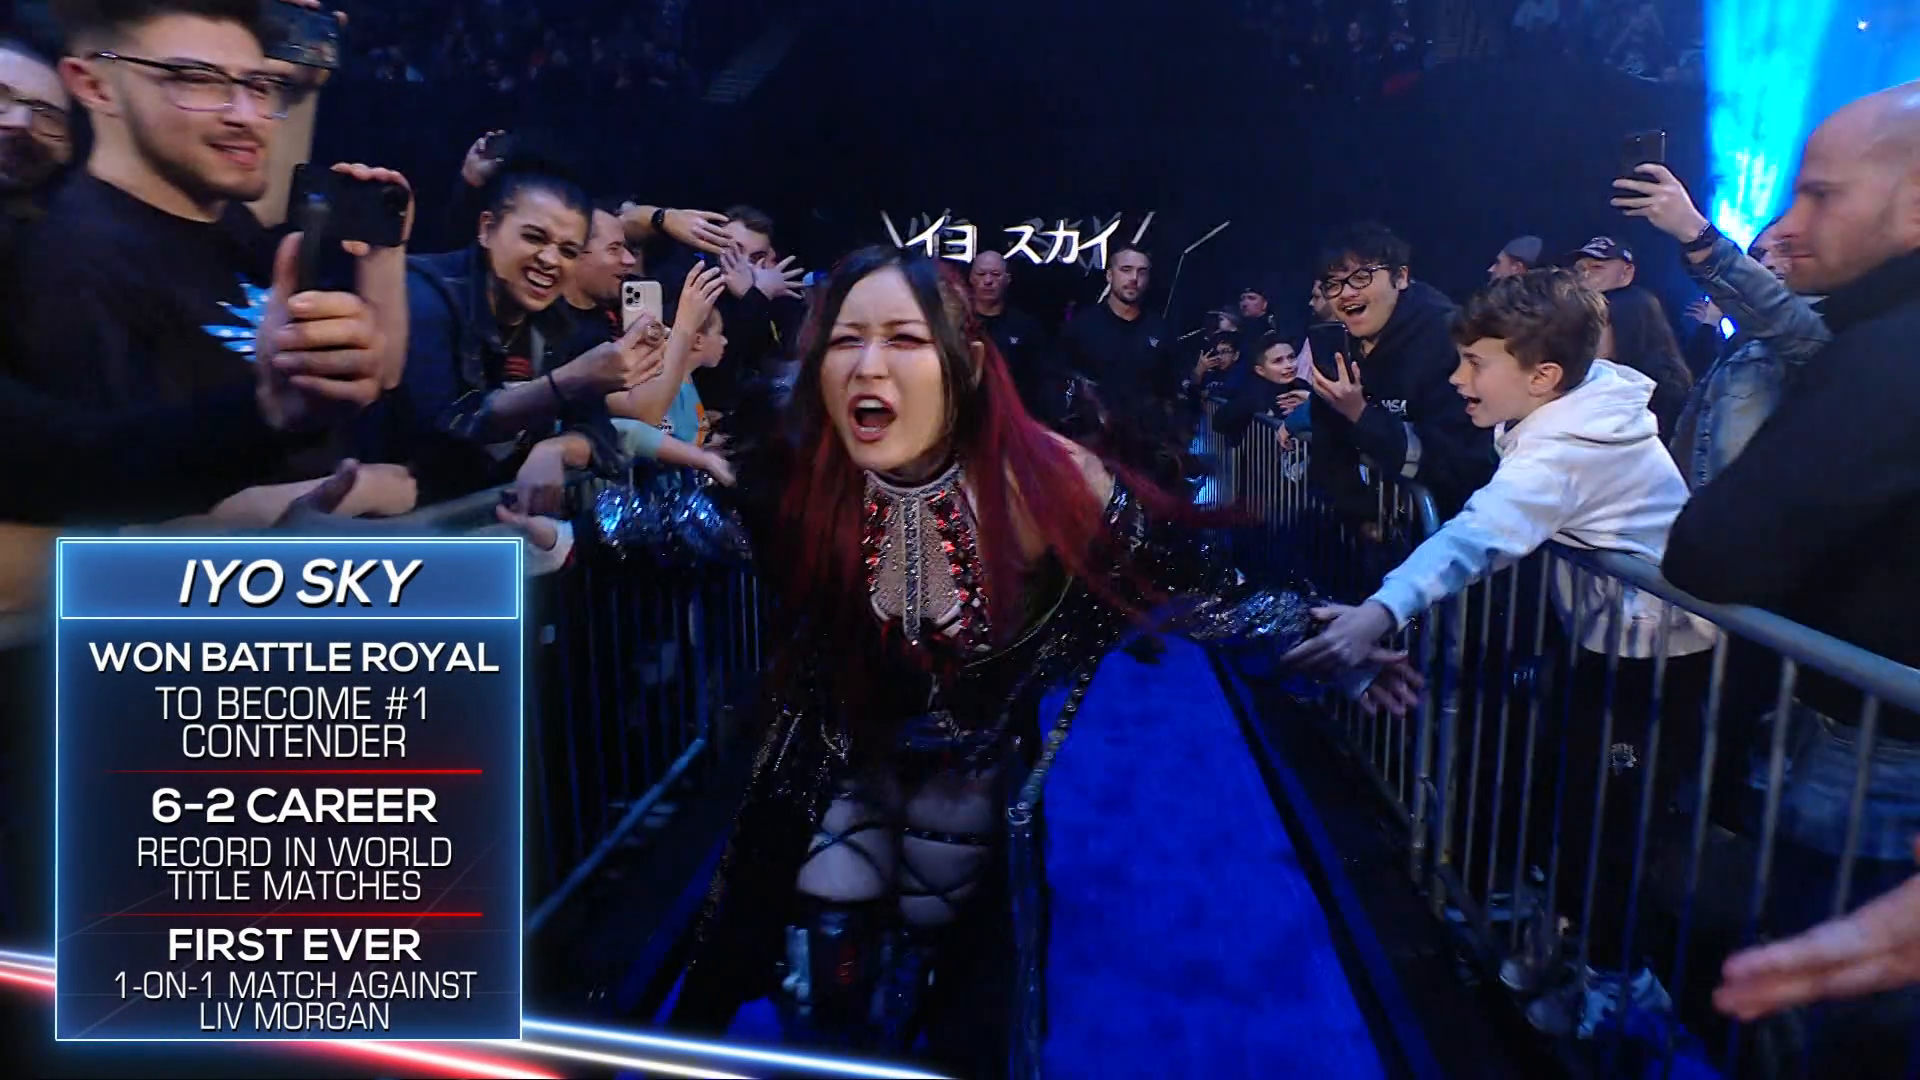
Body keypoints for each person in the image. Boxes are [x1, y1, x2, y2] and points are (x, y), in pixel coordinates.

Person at [665, 247, 1422, 1070]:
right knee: (826, 966)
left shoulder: (1052, 483)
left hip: (967, 769)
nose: (869, 366)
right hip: (837, 754)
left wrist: (1328, 645)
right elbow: (671, 525)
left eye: (904, 340)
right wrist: (576, 500)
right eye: (847, 340)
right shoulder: (796, 471)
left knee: (936, 962)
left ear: (966, 362)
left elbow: (1190, 591)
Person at [1289, 270, 1719, 1031]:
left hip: (1655, 662)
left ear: (1543, 376)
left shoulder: (1565, 453)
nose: (1457, 379)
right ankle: (1573, 942)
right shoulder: (1577, 403)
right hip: (1609, 642)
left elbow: (1475, 534)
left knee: (1612, 823)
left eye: (1475, 363)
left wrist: (1378, 613)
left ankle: (1620, 988)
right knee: (1574, 800)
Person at [1661, 80, 1920, 1074]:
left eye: (1821, 194)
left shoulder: (1891, 356)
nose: (1792, 221)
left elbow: (1713, 549)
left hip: (1876, 758)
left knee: (1821, 1020)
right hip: (1872, 736)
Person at [8, 0, 406, 422]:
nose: (249, 117)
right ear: (95, 86)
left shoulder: (225, 217)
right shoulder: (76, 268)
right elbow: (112, 459)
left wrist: (382, 254)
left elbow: (372, 381)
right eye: (198, 80)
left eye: (260, 86)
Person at [366, 163, 648, 512]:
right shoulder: (425, 294)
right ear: (487, 229)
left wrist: (556, 449)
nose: (550, 260)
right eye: (534, 237)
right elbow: (441, 436)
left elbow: (598, 432)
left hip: (489, 518)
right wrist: (566, 383)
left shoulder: (557, 322)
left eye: (568, 251)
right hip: (391, 523)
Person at [1610, 164, 1831, 489]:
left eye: (1785, 250)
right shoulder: (1741, 346)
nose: (1768, 262)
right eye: (1758, 253)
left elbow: (1780, 313)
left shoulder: (1822, 333)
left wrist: (1694, 231)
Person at [1307, 221, 1495, 525]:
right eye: (1333, 284)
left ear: (1401, 277)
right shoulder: (1342, 344)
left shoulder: (1449, 340)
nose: (1346, 293)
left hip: (1453, 530)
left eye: (1361, 277)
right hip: (1377, 530)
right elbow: (1328, 447)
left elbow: (1457, 462)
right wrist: (1363, 515)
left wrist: (1359, 413)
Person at [609, 261, 734, 484]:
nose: (725, 341)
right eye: (719, 332)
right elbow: (651, 439)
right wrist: (703, 455)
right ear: (697, 340)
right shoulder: (663, 387)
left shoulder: (686, 380)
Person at [1059, 242, 1175, 434]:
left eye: (1142, 272)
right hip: (1091, 440)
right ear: (1110, 275)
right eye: (1126, 270)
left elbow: (1171, 390)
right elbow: (1060, 382)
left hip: (1147, 442)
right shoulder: (1081, 327)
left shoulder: (1161, 331)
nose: (1134, 278)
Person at [967, 249, 1055, 422]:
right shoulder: (957, 324)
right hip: (968, 417)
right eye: (981, 274)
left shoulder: (1025, 327)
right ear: (971, 278)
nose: (988, 281)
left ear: (1007, 279)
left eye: (995, 274)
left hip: (1015, 419)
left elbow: (1041, 382)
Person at [1598, 286, 1692, 442]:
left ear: (1628, 328)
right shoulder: (1593, 377)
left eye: (1602, 323)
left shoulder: (1666, 390)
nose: (1591, 333)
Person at [1211, 332, 1312, 449]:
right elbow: (1219, 421)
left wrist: (1309, 405)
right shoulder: (1251, 392)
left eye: (1292, 357)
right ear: (1260, 370)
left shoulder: (1303, 385)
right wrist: (1256, 406)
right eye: (1278, 361)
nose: (1289, 365)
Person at [1570, 236, 1637, 293]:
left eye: (1596, 267)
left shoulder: (1633, 301)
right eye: (1579, 267)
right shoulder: (1569, 294)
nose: (1584, 273)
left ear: (1626, 272)